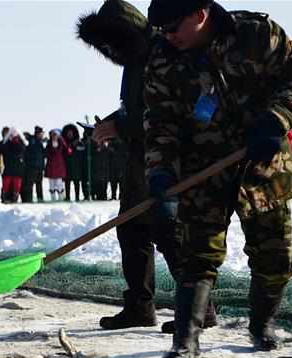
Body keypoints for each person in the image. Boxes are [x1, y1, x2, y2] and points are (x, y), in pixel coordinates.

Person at [145, 0, 292, 358]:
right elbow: (159, 121)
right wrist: (161, 171)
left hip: (263, 165)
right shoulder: (163, 57)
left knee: (274, 256)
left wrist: (278, 118)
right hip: (202, 168)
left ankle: (262, 324)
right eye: (162, 31)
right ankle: (186, 339)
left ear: (199, 15)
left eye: (173, 27)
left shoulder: (257, 34)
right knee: (197, 255)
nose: (168, 37)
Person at [82, 0, 217, 333]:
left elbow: (168, 113)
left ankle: (201, 309)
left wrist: (119, 127)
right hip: (138, 157)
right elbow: (135, 107)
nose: (111, 51)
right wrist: (112, 123)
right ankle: (140, 307)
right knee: (131, 229)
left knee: (168, 230)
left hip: (168, 156)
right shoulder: (134, 60)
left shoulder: (167, 53)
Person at [0, 128, 26, 203]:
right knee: (6, 184)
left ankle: (15, 198)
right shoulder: (6, 142)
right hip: (8, 166)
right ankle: (4, 198)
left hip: (18, 167)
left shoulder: (21, 142)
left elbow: (22, 150)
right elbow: (4, 150)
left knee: (17, 185)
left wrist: (16, 142)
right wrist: (8, 141)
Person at [21, 126, 46, 202]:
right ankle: (29, 199)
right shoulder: (32, 140)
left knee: (39, 184)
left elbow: (43, 154)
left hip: (39, 166)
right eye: (39, 133)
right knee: (29, 184)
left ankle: (40, 198)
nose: (41, 135)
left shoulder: (41, 142)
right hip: (31, 166)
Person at [45, 129, 67, 201]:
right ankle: (53, 197)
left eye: (55, 135)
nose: (54, 136)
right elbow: (46, 153)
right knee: (51, 183)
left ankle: (61, 197)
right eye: (53, 135)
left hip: (59, 166)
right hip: (51, 165)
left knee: (59, 182)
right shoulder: (49, 143)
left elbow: (67, 151)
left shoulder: (61, 143)